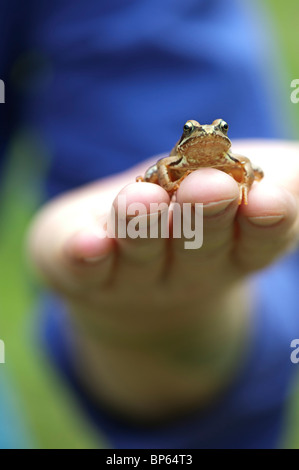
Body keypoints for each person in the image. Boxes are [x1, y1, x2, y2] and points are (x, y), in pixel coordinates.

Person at [1, 0, 299, 448]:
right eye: (197, 128)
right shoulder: (178, 158)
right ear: (186, 135)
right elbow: (160, 172)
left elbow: (246, 169)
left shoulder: (226, 154)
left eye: (216, 128)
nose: (207, 133)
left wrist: (169, 325)